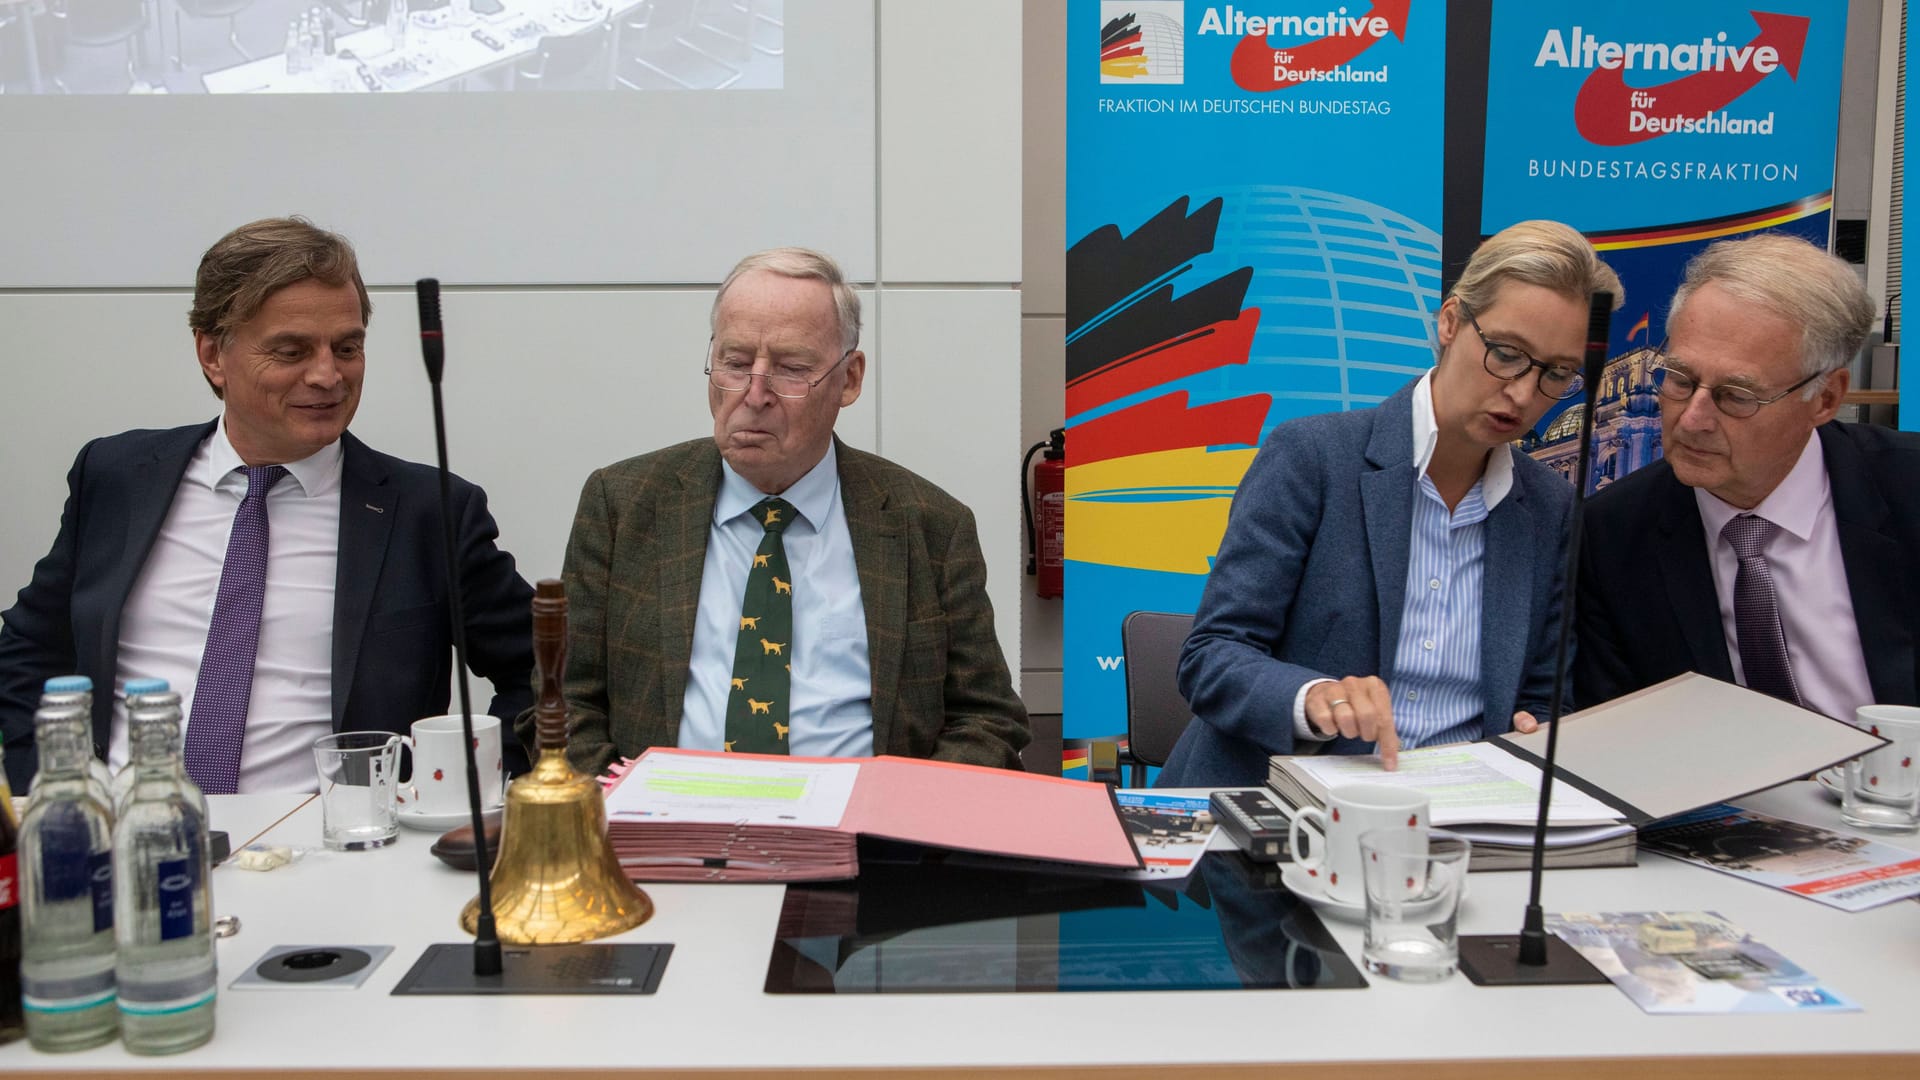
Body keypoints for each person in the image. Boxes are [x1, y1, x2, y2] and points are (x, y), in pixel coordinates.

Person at [0, 217, 535, 793]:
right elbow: (29, 653)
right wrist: (51, 789)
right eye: (291, 350)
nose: (328, 375)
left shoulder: (428, 512)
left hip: (338, 855)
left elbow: (545, 677)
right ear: (212, 354)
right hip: (128, 836)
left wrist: (463, 786)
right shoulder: (117, 476)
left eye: (347, 347)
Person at [1157, 220, 1623, 787]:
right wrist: (1316, 697)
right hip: (1288, 807)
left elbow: (1548, 697)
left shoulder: (1550, 507)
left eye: (1557, 373)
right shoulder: (1314, 457)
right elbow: (1213, 655)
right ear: (1450, 322)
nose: (1524, 394)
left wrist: (1537, 731)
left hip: (1463, 813)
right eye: (1506, 354)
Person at [549, 247, 1029, 773]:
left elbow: (985, 718)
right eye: (734, 363)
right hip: (666, 837)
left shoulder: (931, 525)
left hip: (867, 840)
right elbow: (562, 702)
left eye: (791, 369)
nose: (754, 394)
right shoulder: (623, 505)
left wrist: (905, 819)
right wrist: (615, 807)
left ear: (849, 378)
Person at [1577, 233, 1919, 717]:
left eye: (1737, 396)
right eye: (1679, 379)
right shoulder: (1612, 535)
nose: (1691, 419)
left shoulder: (1908, 490)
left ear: (1824, 399)